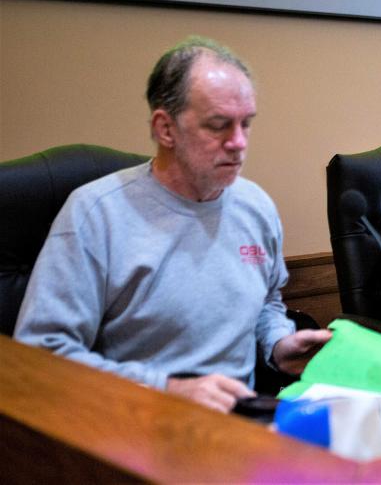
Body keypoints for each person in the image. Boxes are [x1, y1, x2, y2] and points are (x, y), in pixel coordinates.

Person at [15, 36, 330, 412]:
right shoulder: (96, 213)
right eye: (219, 126)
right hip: (128, 422)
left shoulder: (255, 206)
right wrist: (168, 389)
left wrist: (278, 344)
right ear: (166, 129)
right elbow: (42, 353)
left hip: (237, 422)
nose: (239, 142)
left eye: (246, 124)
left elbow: (266, 303)